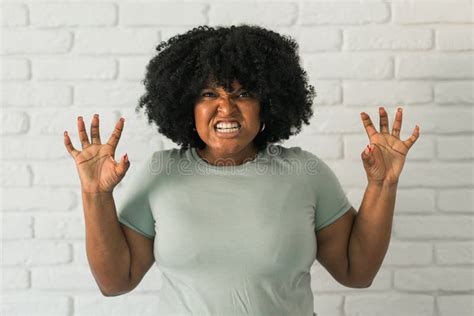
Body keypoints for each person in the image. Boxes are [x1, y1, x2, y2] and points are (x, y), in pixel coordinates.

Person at [64, 25, 420, 316]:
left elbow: (356, 272)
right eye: (208, 94)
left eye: (243, 93)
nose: (226, 108)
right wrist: (95, 195)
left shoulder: (305, 172)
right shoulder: (161, 173)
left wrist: (382, 184)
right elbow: (114, 282)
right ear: (186, 105)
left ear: (267, 104)